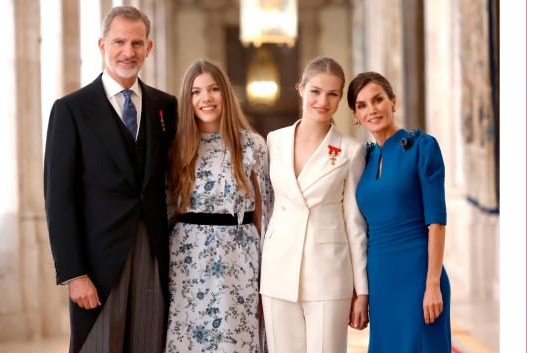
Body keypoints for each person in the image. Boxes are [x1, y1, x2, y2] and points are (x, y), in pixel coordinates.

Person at [44, 6, 177, 353]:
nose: (128, 52)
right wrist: (73, 274)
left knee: (149, 344)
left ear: (149, 49)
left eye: (137, 43)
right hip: (97, 264)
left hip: (153, 254)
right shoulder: (70, 110)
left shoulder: (166, 107)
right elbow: (59, 198)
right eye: (119, 42)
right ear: (102, 45)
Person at [259, 57, 369, 353]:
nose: (323, 101)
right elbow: (266, 208)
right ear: (300, 89)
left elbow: (355, 224)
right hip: (277, 270)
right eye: (316, 91)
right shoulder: (274, 141)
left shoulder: (351, 150)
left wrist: (362, 291)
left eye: (333, 94)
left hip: (328, 272)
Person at [165, 59, 272, 353]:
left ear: (226, 93)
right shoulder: (175, 148)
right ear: (188, 100)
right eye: (196, 92)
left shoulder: (252, 145)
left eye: (213, 89)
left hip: (239, 259)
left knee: (236, 342)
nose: (206, 98)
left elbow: (265, 215)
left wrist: (267, 276)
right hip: (187, 264)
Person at [348, 71, 451, 352]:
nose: (372, 110)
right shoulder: (364, 159)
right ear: (355, 115)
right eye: (362, 105)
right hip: (381, 280)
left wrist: (432, 284)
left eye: (378, 99)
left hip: (418, 276)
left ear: (393, 101)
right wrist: (361, 293)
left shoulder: (422, 147)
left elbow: (437, 222)